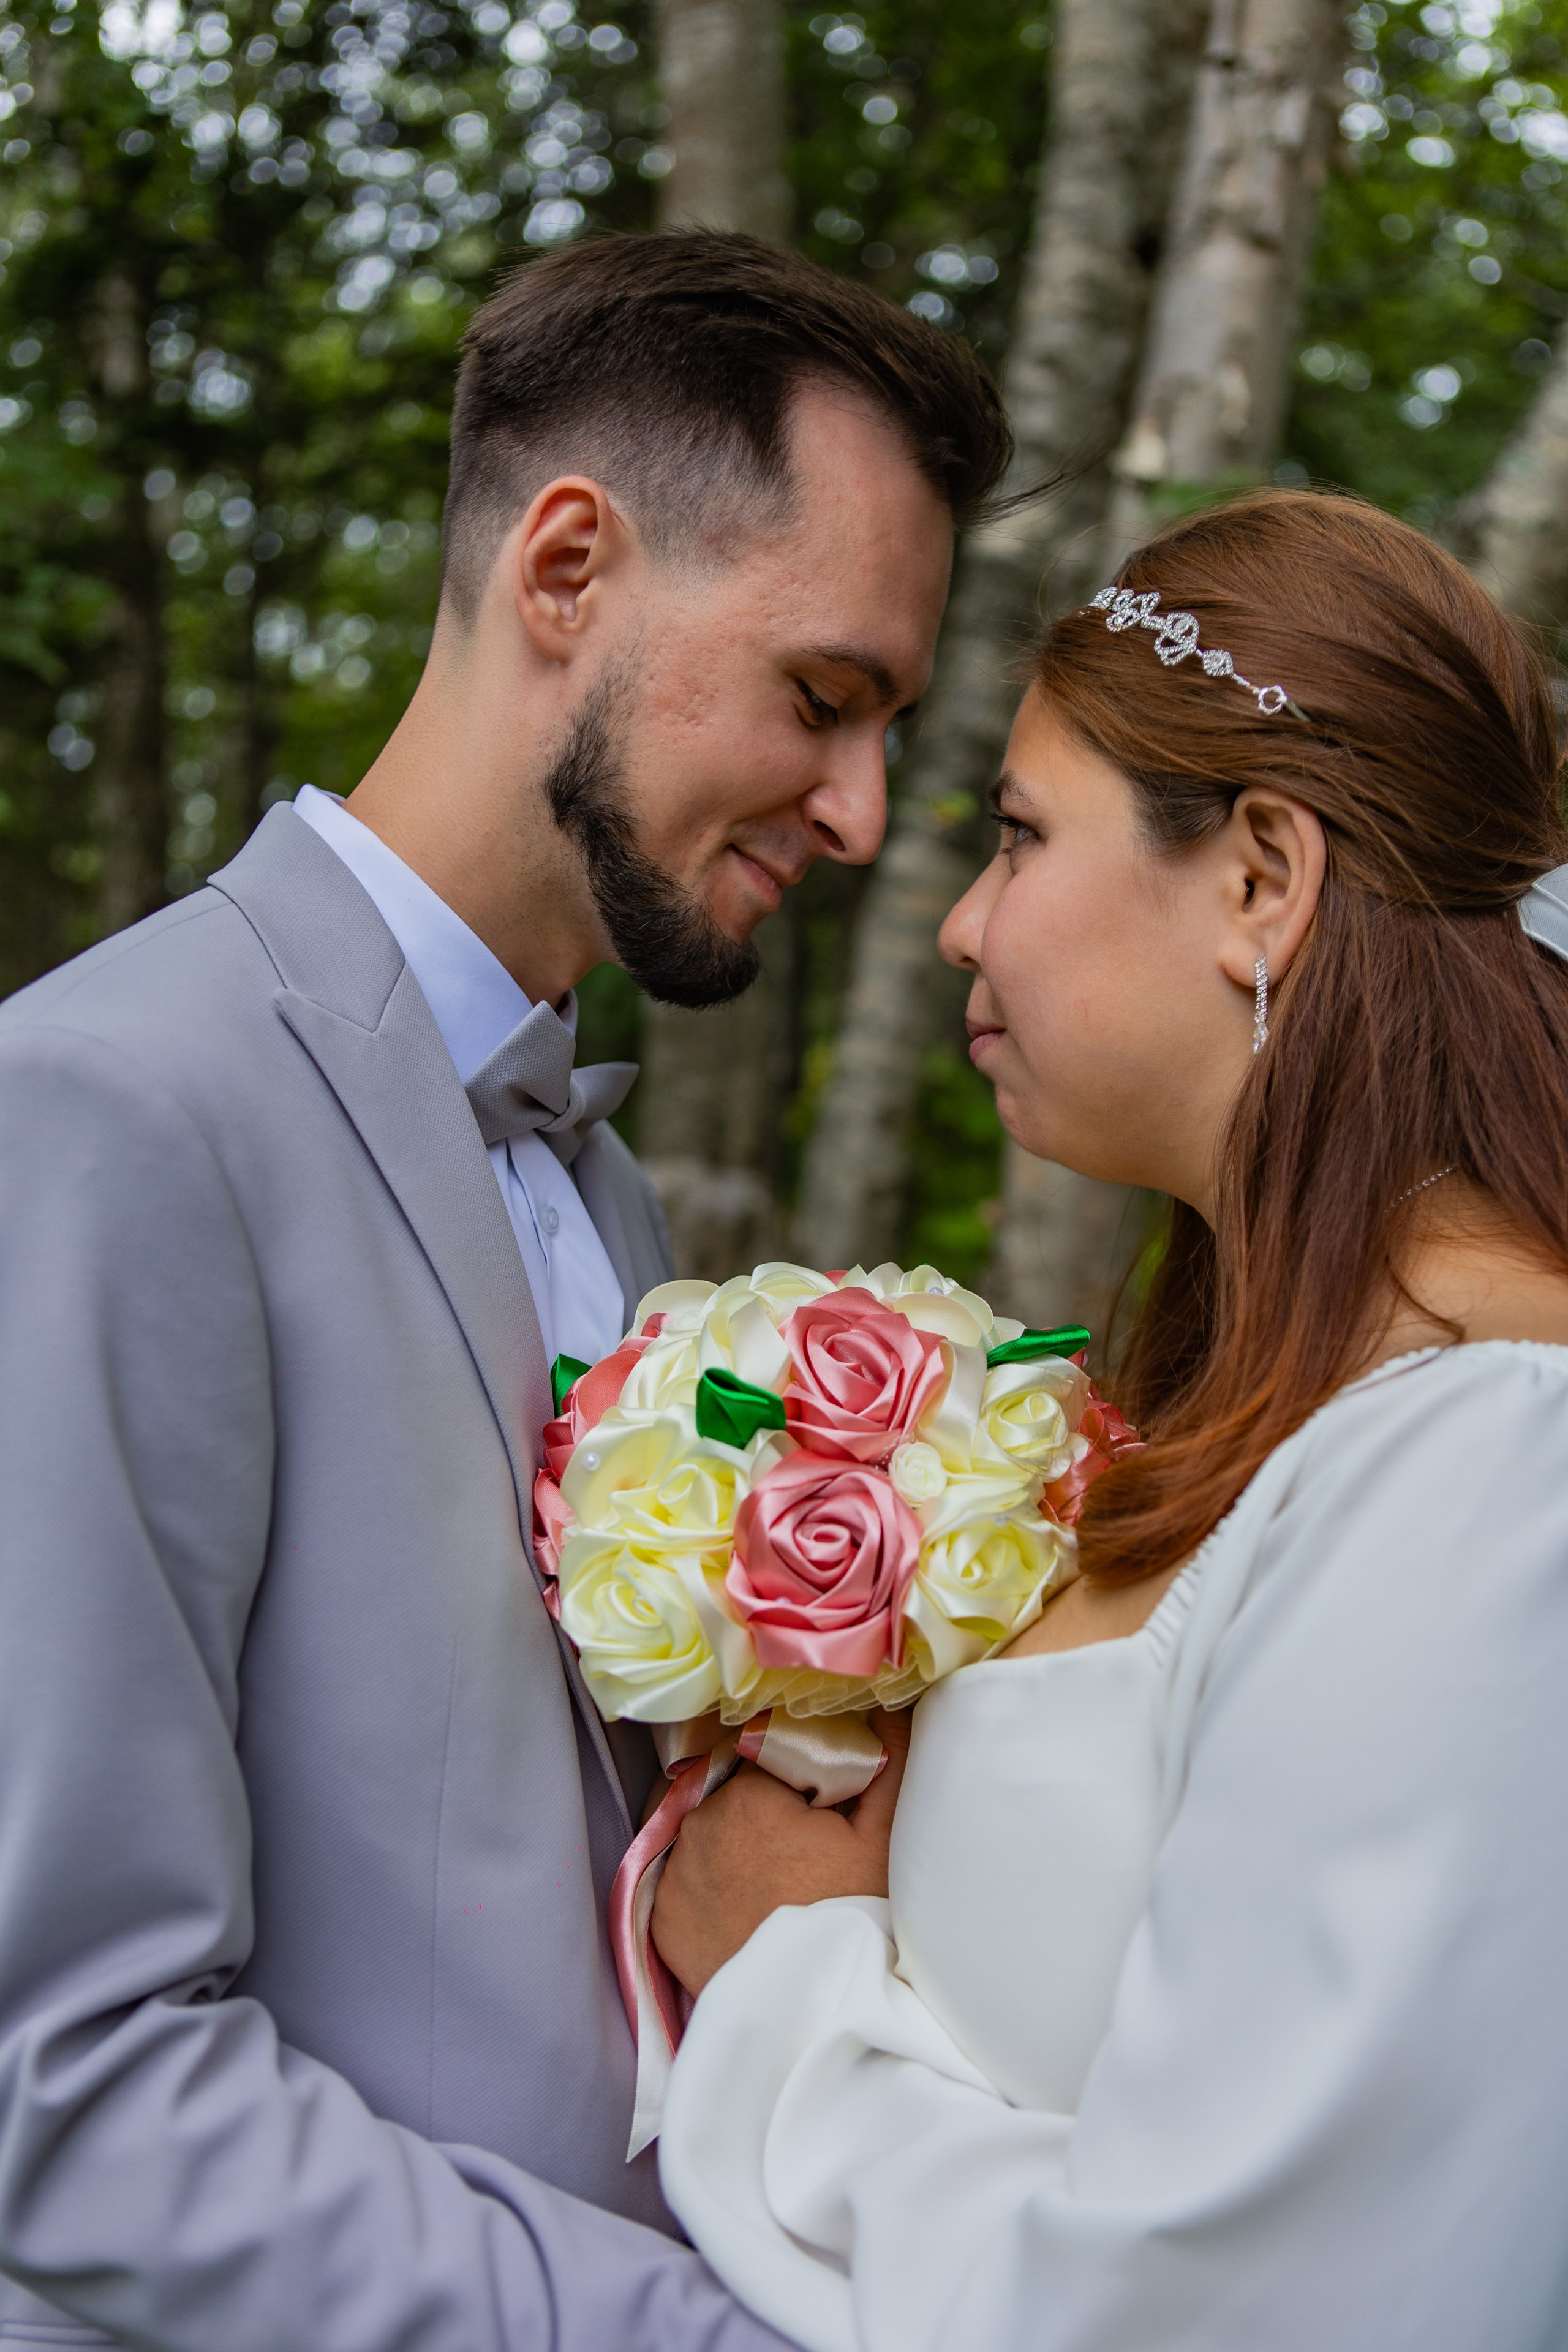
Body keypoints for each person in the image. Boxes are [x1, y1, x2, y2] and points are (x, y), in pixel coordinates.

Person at [0, 230, 1010, 2350]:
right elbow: (60, 2080)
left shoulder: (601, 1183)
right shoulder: (106, 1103)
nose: (860, 814)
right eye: (826, 700)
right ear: (567, 572)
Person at [651, 488, 1568, 2352]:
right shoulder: (1301, 1413)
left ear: (1262, 878)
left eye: (1019, 835)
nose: (960, 926)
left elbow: (1259, 2302)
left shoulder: (1499, 1468)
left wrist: (784, 1992)